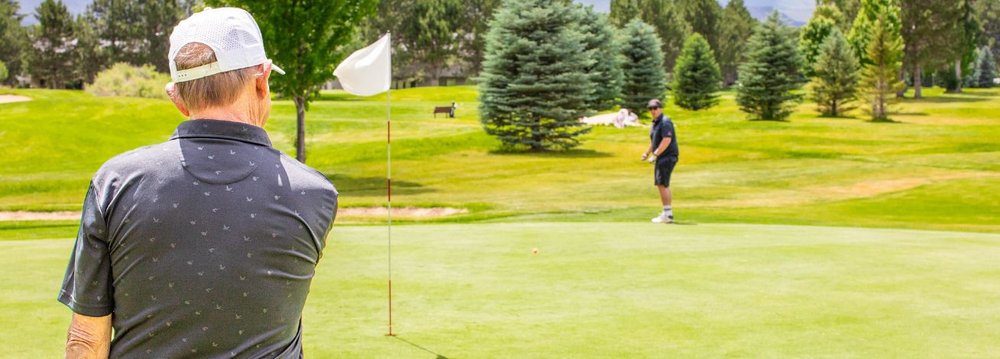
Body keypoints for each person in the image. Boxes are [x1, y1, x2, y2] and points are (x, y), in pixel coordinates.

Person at [57, 8, 338, 358]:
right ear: (261, 80)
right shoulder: (314, 193)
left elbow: (86, 339)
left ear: (177, 98)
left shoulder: (115, 183)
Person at [640, 99, 679, 224]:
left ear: (660, 108)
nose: (653, 111)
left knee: (662, 183)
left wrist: (655, 154)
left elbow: (666, 140)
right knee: (661, 183)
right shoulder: (656, 123)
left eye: (655, 108)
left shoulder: (665, 122)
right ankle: (667, 213)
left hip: (667, 156)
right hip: (662, 156)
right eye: (650, 108)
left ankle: (667, 214)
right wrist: (647, 152)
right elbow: (655, 141)